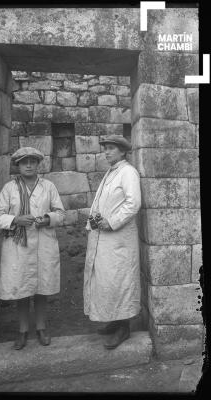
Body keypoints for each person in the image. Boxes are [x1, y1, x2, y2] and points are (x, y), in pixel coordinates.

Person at [0, 147, 65, 350]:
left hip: (44, 243)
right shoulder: (9, 189)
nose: (29, 165)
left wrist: (48, 219)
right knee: (21, 289)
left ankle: (41, 328)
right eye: (25, 162)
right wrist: (15, 219)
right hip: (18, 246)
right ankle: (23, 330)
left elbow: (61, 212)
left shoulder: (48, 187)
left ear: (38, 164)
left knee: (42, 288)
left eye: (33, 161)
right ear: (18, 166)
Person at [83, 134, 141, 349]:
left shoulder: (128, 172)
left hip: (119, 239)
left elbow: (133, 203)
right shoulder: (111, 172)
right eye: (105, 148)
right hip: (104, 236)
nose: (107, 152)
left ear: (123, 151)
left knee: (120, 280)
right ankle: (115, 321)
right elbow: (100, 203)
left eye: (111, 149)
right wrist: (94, 222)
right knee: (108, 281)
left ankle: (124, 327)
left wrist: (113, 221)